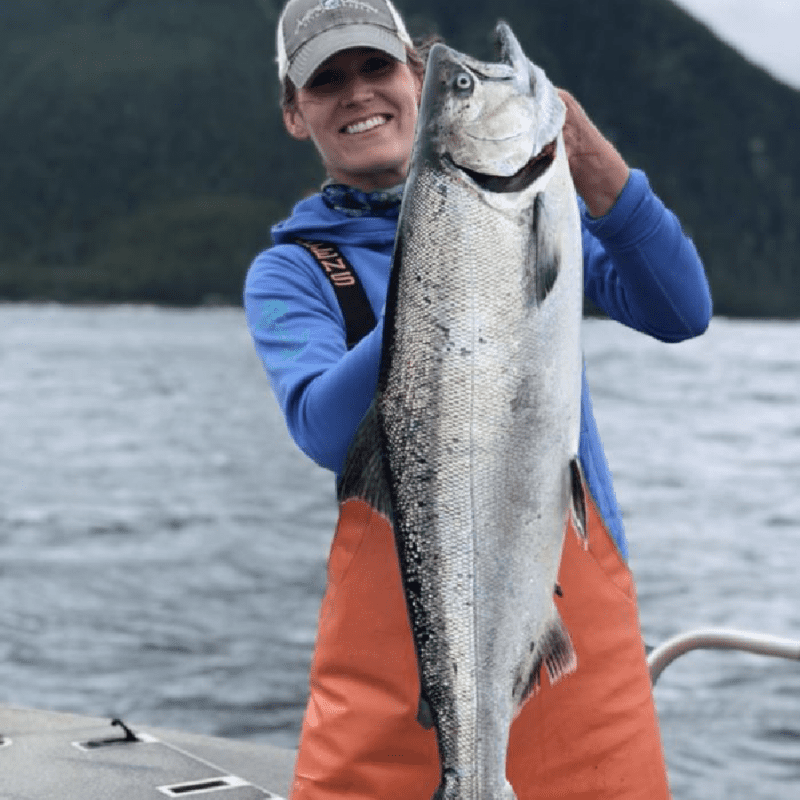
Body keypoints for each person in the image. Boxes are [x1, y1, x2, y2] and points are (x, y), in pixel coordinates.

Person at [244, 0, 713, 797]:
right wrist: (443, 266)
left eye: (374, 68)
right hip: (390, 706)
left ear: (417, 79)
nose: (356, 93)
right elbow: (326, 429)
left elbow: (681, 309)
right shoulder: (294, 273)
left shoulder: (542, 211)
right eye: (326, 82)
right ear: (297, 114)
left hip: (582, 673)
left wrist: (590, 156)